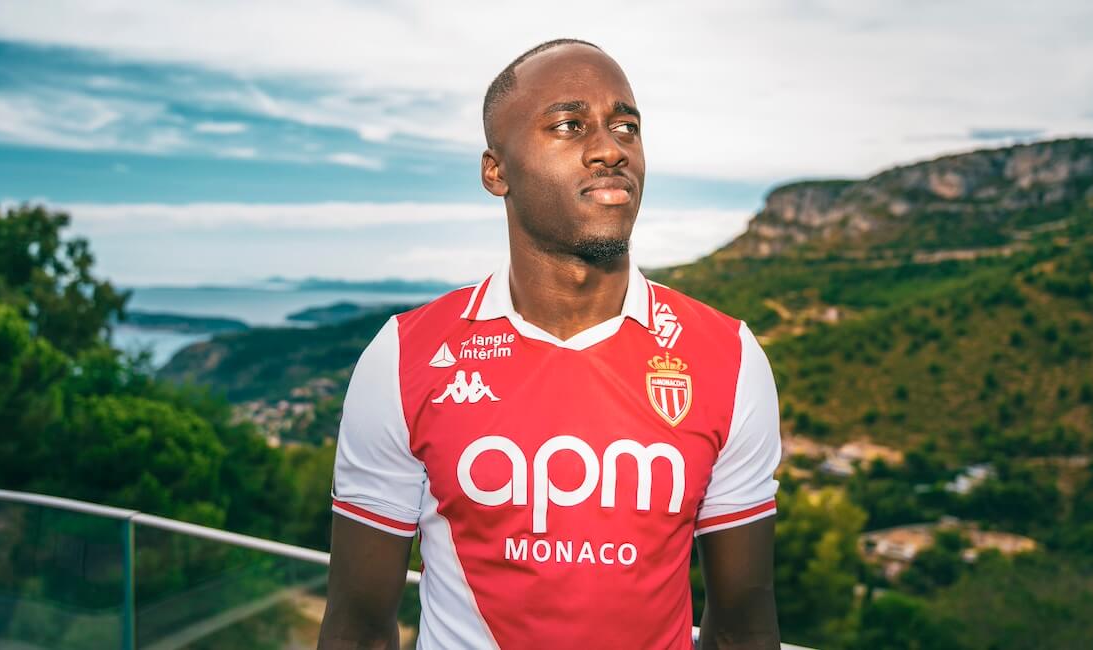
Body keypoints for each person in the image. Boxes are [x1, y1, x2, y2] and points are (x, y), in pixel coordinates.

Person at [319, 39, 782, 650]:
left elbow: (744, 629)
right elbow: (357, 629)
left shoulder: (729, 357)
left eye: (626, 126)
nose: (611, 148)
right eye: (569, 125)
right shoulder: (404, 357)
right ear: (496, 172)